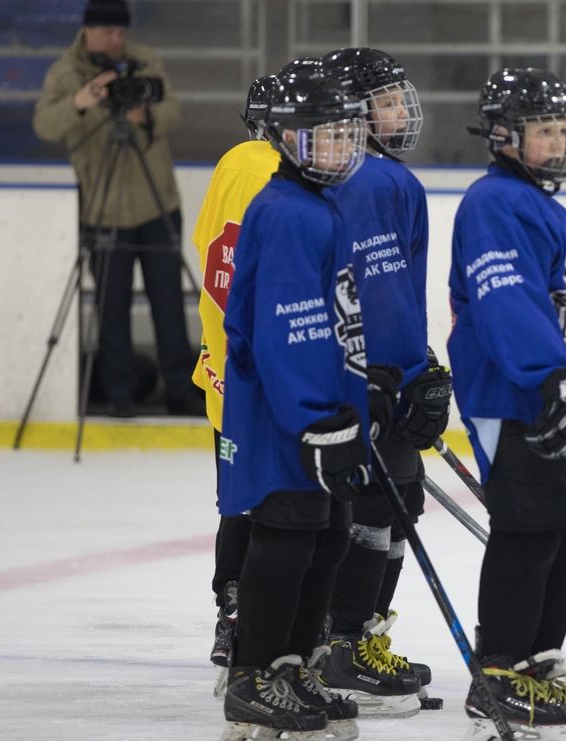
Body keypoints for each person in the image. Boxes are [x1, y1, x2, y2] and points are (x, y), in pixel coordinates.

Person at [216, 63, 378, 741]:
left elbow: (335, 322)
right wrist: (316, 415)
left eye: (348, 134)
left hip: (322, 407)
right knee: (286, 532)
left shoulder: (319, 205)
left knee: (330, 531)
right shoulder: (284, 211)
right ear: (287, 138)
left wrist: (363, 395)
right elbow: (288, 326)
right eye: (326, 136)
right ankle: (253, 673)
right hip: (286, 414)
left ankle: (291, 661)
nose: (342, 147)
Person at [449, 67, 566, 741]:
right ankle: (501, 672)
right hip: (510, 393)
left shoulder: (556, 213)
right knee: (528, 529)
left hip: (548, 390)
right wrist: (548, 373)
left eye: (561, 128)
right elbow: (503, 298)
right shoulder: (492, 203)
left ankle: (533, 663)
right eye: (545, 129)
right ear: (505, 136)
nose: (559, 140)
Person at [320, 47, 451, 717]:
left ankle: (355, 638)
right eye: (390, 100)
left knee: (394, 505)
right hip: (376, 379)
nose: (403, 111)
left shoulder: (364, 175)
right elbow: (378, 292)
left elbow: (387, 289)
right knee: (380, 508)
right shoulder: (378, 182)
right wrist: (405, 369)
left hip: (378, 371)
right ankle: (346, 646)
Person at [31, 0, 201, 417]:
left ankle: (181, 389)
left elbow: (173, 109)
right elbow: (44, 124)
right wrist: (82, 101)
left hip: (157, 202)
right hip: (102, 206)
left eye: (121, 31)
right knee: (112, 307)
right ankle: (120, 393)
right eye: (108, 31)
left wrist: (148, 117)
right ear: (87, 29)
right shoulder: (66, 72)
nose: (116, 39)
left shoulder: (143, 59)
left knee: (168, 302)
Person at [190, 73, 280, 693]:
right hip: (256, 372)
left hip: (228, 367)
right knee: (265, 503)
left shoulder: (236, 161)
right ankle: (246, 620)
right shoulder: (261, 169)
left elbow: (209, 248)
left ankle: (237, 615)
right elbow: (237, 271)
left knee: (244, 499)